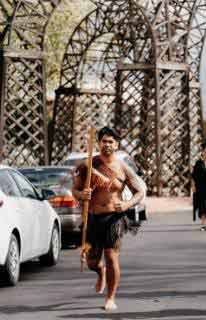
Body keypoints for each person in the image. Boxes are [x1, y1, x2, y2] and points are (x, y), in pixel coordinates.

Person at [72, 126, 146, 311]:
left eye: (111, 142)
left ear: (117, 145)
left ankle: (111, 297)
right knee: (91, 261)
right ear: (98, 143)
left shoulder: (122, 168)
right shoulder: (87, 165)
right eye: (104, 141)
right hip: (92, 218)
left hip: (114, 217)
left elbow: (140, 191)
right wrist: (82, 195)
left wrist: (127, 205)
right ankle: (100, 272)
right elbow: (75, 189)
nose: (107, 145)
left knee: (111, 257)